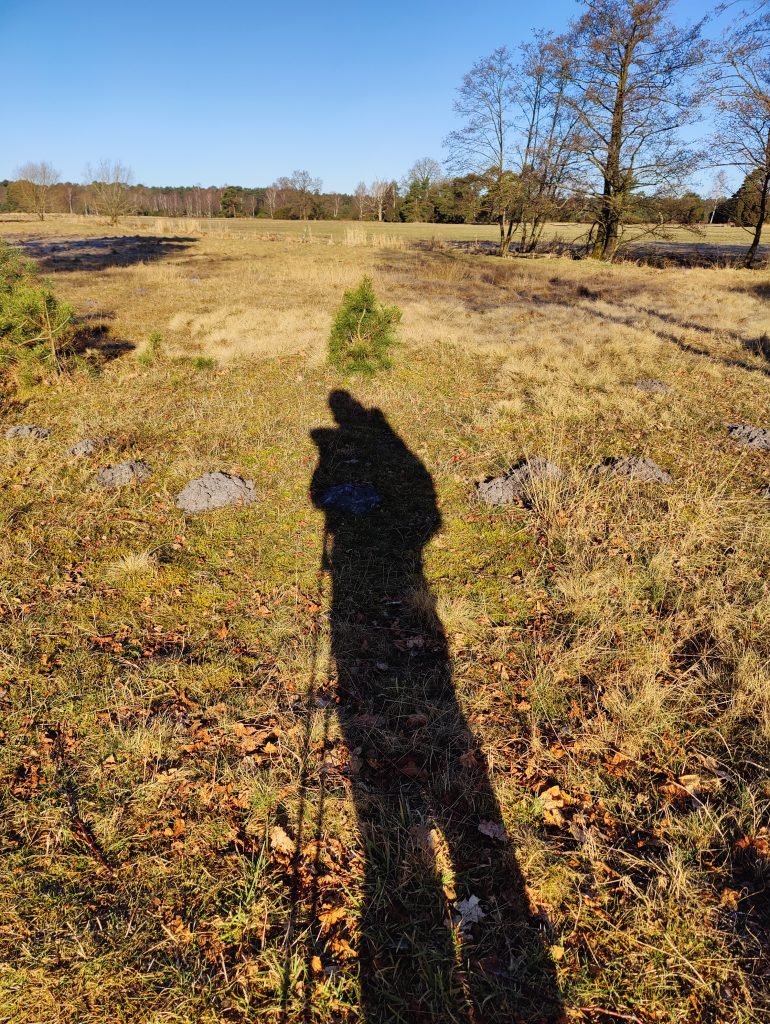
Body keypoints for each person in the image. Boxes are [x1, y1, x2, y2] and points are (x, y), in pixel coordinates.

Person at [309, 390, 563, 1022]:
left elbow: (419, 508)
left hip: (376, 571)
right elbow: (424, 509)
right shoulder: (391, 451)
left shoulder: (381, 452)